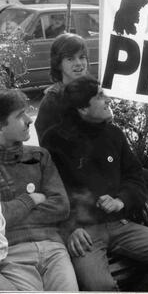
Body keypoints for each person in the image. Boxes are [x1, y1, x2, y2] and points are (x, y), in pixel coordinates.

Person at [41, 75, 148, 291]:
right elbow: (51, 192)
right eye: (100, 96)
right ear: (83, 109)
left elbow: (135, 176)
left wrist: (122, 201)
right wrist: (71, 228)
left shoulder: (113, 134)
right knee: (100, 286)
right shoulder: (54, 141)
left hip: (121, 224)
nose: (108, 99)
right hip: (84, 234)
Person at [35, 33, 148, 235]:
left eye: (82, 57)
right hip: (81, 177)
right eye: (70, 58)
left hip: (108, 165)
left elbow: (109, 137)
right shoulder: (53, 101)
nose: (79, 63)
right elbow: (49, 154)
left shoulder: (91, 87)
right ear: (58, 64)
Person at [0, 89, 78, 291]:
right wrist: (31, 200)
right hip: (13, 256)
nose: (29, 120)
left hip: (53, 249)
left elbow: (61, 206)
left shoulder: (40, 156)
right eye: (19, 116)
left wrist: (11, 213)